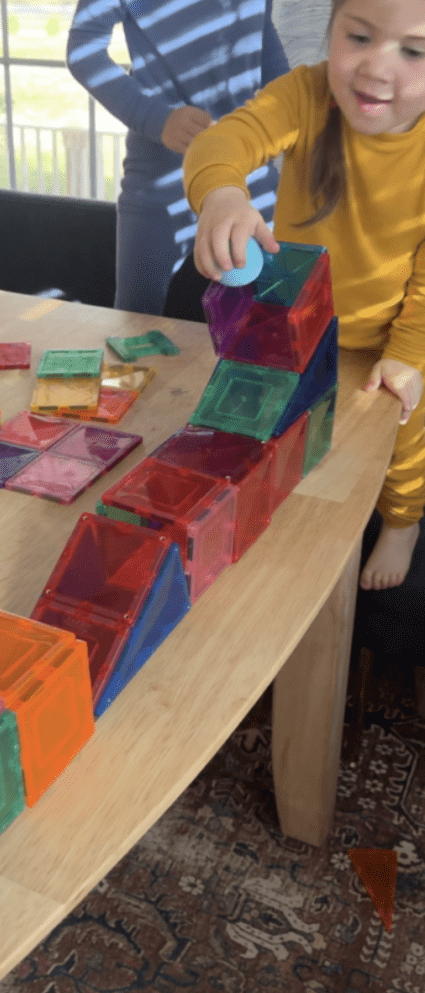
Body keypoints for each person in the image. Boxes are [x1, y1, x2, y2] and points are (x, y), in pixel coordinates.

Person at [184, 0, 425, 592]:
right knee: (259, 420)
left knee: (407, 434)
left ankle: (403, 521)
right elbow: (224, 142)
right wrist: (221, 196)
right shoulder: (306, 93)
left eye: (414, 51)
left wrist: (408, 354)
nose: (376, 67)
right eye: (359, 36)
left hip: (387, 336)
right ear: (331, 27)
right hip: (296, 317)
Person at [66, 0, 289, 316]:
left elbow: (262, 35)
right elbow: (82, 51)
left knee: (265, 322)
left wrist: (295, 122)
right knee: (135, 326)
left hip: (248, 176)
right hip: (159, 185)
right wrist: (157, 119)